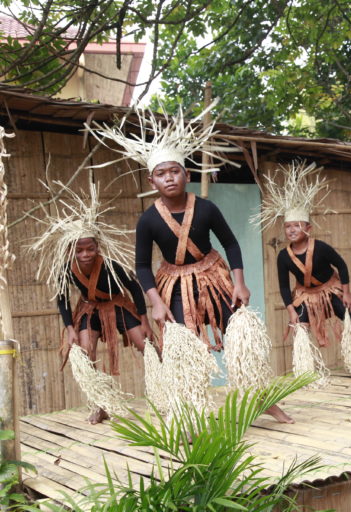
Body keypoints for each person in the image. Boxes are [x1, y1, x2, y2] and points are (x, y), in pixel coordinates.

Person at [89, 104, 293, 423]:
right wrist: (156, 302)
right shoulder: (148, 220)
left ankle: (262, 398)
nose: (169, 178)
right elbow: (141, 266)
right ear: (152, 181)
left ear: (186, 174)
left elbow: (230, 243)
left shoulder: (206, 208)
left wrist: (240, 282)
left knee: (240, 335)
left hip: (214, 278)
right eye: (161, 174)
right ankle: (192, 413)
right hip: (175, 286)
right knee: (184, 349)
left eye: (174, 171)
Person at [32, 183, 152, 424]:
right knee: (86, 354)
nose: (85, 254)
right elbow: (63, 299)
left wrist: (144, 319)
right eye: (79, 250)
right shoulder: (65, 269)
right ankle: (101, 405)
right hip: (89, 309)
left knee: (146, 345)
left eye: (90, 249)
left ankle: (166, 397)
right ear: (71, 250)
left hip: (117, 306)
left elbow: (134, 288)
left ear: (98, 247)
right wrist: (70, 329)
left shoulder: (111, 265)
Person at [255, 161, 351, 376]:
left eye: (297, 226)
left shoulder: (321, 247)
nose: (291, 230)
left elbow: (341, 265)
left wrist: (346, 293)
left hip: (330, 291)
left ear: (308, 228)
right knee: (300, 329)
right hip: (305, 296)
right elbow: (284, 287)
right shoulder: (283, 256)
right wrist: (291, 311)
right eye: (288, 226)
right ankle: (306, 372)